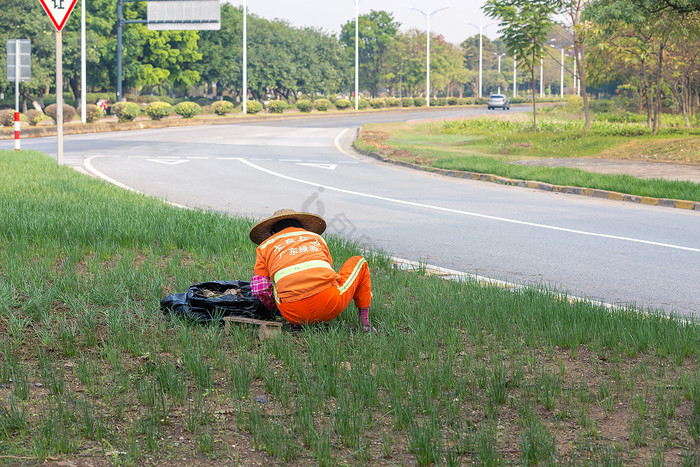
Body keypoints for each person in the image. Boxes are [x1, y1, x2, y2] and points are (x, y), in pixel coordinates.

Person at [249, 209, 374, 332]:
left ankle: (298, 324)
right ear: (302, 227)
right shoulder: (315, 238)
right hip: (330, 305)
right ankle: (364, 323)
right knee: (360, 261)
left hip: (291, 313)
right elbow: (328, 270)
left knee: (277, 282)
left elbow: (260, 289)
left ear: (273, 232)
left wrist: (273, 308)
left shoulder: (264, 246)